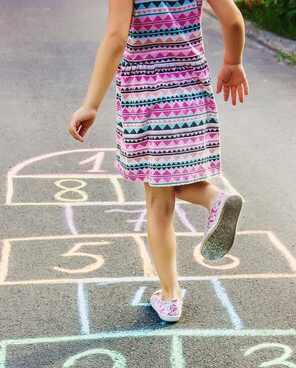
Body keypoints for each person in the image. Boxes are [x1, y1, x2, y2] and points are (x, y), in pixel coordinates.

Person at [68, 0, 249, 323]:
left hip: (148, 100)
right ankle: (214, 197)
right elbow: (233, 20)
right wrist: (233, 62)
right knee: (175, 177)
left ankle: (170, 295)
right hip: (191, 93)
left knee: (158, 203)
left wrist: (91, 103)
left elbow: (115, 39)